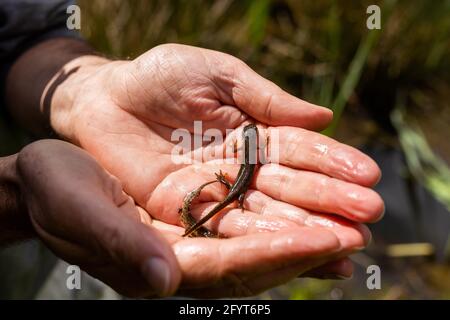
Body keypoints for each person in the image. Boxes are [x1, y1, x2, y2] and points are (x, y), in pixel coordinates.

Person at [0, 0, 384, 298]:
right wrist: (17, 198)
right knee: (233, 197)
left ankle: (202, 218)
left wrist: (85, 88)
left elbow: (28, 35)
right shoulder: (253, 149)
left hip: (38, 273)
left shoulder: (248, 153)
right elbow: (250, 162)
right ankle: (203, 218)